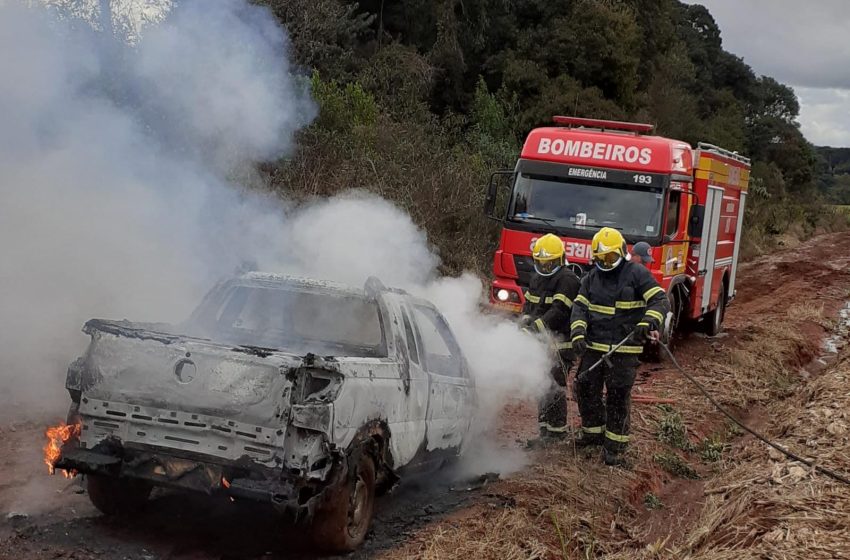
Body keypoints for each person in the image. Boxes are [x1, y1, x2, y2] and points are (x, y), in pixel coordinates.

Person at [569, 227, 668, 465]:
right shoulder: (591, 278)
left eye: (610, 258)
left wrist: (648, 320)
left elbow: (659, 299)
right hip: (594, 347)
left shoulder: (636, 273)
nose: (605, 262)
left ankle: (615, 448)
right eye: (601, 258)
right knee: (584, 387)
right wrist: (578, 332)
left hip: (624, 349)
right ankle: (593, 434)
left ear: (622, 253)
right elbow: (579, 308)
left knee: (617, 395)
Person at [519, 234, 581, 440]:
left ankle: (557, 433)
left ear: (560, 259)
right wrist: (523, 321)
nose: (545, 267)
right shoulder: (537, 278)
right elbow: (529, 305)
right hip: (541, 343)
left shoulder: (568, 280)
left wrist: (535, 327)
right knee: (541, 385)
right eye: (541, 263)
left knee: (554, 385)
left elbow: (559, 311)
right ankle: (544, 430)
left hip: (561, 344)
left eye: (549, 263)